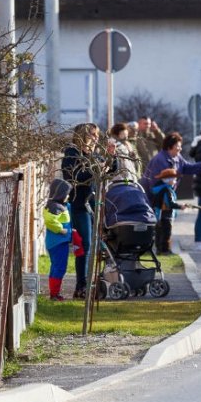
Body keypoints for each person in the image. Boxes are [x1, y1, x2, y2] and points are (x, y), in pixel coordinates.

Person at [61, 123, 114, 299]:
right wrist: (95, 170)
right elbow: (73, 177)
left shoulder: (92, 155)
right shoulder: (72, 154)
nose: (96, 138)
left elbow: (110, 170)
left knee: (95, 245)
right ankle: (81, 285)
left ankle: (91, 283)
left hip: (92, 205)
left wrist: (112, 158)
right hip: (79, 205)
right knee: (85, 247)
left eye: (97, 134)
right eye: (93, 134)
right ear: (83, 135)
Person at [43, 178, 83, 301]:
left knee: (58, 266)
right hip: (57, 242)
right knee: (59, 267)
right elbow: (50, 220)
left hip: (61, 242)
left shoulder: (62, 206)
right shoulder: (54, 206)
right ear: (60, 193)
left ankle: (54, 293)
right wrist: (61, 229)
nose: (68, 196)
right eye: (66, 194)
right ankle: (54, 294)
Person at [151, 167, 185, 255]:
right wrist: (180, 206)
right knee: (166, 233)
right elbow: (169, 204)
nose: (175, 181)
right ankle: (165, 250)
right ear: (168, 180)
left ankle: (159, 249)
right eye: (174, 179)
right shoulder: (166, 190)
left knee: (159, 232)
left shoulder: (160, 189)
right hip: (165, 215)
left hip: (159, 215)